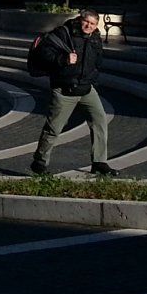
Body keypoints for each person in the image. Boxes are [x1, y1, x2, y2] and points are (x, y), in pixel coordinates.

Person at [30, 9, 114, 175]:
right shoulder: (63, 33)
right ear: (79, 20)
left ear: (97, 25)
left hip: (86, 88)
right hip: (64, 89)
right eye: (86, 22)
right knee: (54, 128)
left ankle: (99, 162)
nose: (89, 26)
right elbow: (44, 54)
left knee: (100, 121)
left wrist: (92, 77)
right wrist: (63, 59)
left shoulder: (95, 37)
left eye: (93, 24)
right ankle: (39, 162)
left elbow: (97, 60)